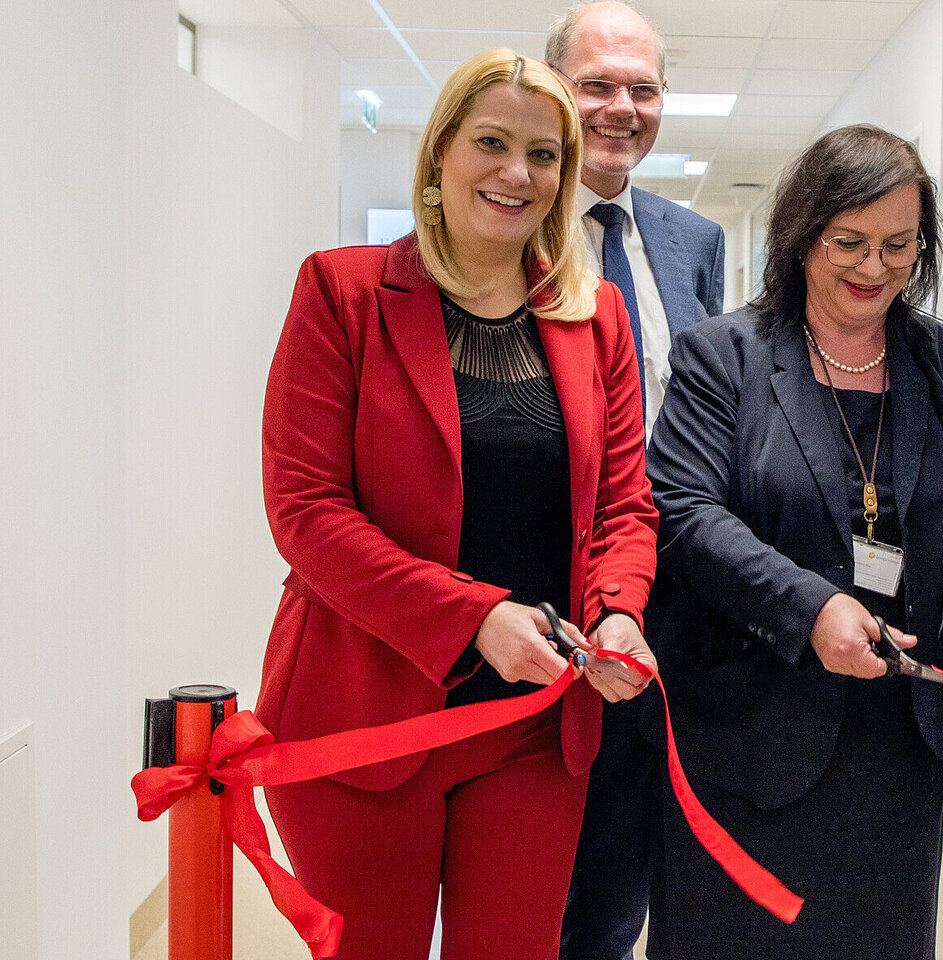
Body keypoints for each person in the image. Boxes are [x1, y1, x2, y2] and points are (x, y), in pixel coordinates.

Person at [257, 48, 658, 960]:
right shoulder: (343, 293)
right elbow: (307, 512)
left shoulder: (595, 318)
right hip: (363, 718)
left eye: (544, 153)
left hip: (533, 723)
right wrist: (475, 617)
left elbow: (626, 506)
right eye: (491, 142)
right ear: (441, 153)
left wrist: (622, 614)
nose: (518, 173)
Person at [636, 124, 943, 959]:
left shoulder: (942, 362)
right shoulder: (725, 356)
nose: (873, 268)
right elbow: (686, 513)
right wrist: (811, 609)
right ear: (803, 233)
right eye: (848, 242)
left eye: (898, 245)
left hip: (894, 744)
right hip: (748, 731)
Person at [541, 4, 724, 957]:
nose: (622, 106)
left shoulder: (693, 241)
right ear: (553, 90)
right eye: (597, 84)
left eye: (643, 88)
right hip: (544, 590)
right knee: (533, 859)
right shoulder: (511, 224)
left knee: (628, 856)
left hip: (672, 591)